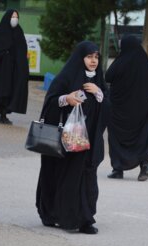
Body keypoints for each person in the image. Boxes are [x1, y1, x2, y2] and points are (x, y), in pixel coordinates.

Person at [35, 41, 107, 234]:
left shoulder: (99, 80)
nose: (93, 61)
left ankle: (85, 219)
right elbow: (50, 101)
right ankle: (56, 214)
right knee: (65, 176)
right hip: (67, 140)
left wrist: (99, 94)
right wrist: (66, 99)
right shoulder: (67, 76)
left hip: (89, 140)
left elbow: (109, 107)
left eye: (96, 57)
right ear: (81, 58)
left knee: (86, 177)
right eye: (89, 57)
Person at [106, 35, 148, 181]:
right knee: (141, 138)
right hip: (140, 111)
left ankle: (117, 169)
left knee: (117, 139)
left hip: (118, 110)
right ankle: (144, 166)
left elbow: (108, 76)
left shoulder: (120, 61)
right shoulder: (145, 62)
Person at [0, 9, 29, 124]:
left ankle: (4, 114)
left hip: (14, 68)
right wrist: (2, 54)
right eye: (13, 17)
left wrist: (23, 61)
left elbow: (22, 48)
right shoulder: (1, 30)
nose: (15, 19)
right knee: (1, 89)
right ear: (7, 17)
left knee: (11, 89)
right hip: (2, 68)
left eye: (16, 17)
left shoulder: (19, 31)